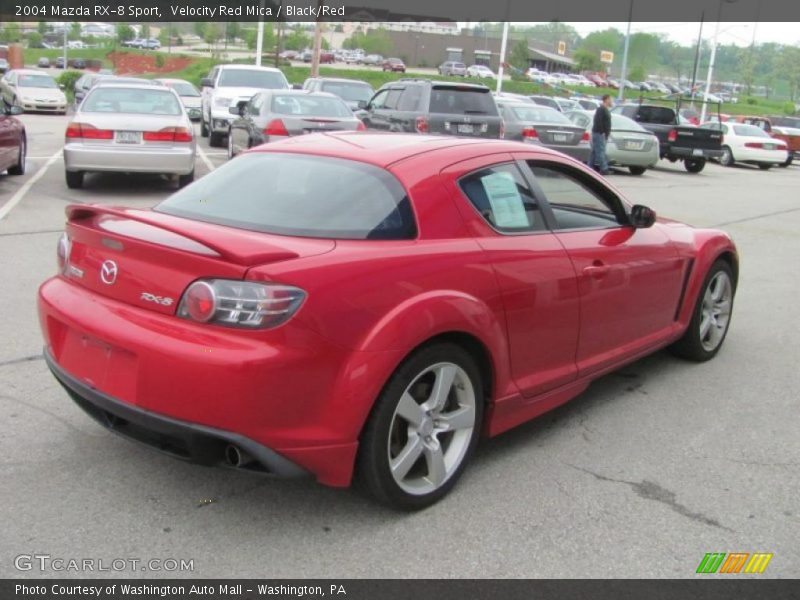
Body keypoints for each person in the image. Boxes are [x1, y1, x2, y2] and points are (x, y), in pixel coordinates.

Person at [589, 94, 613, 175]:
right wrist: (602, 132)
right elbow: (598, 121)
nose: (611, 101)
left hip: (600, 134)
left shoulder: (605, 109)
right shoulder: (601, 109)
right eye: (610, 99)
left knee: (595, 151)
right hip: (599, 134)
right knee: (600, 151)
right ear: (606, 100)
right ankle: (604, 168)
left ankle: (589, 167)